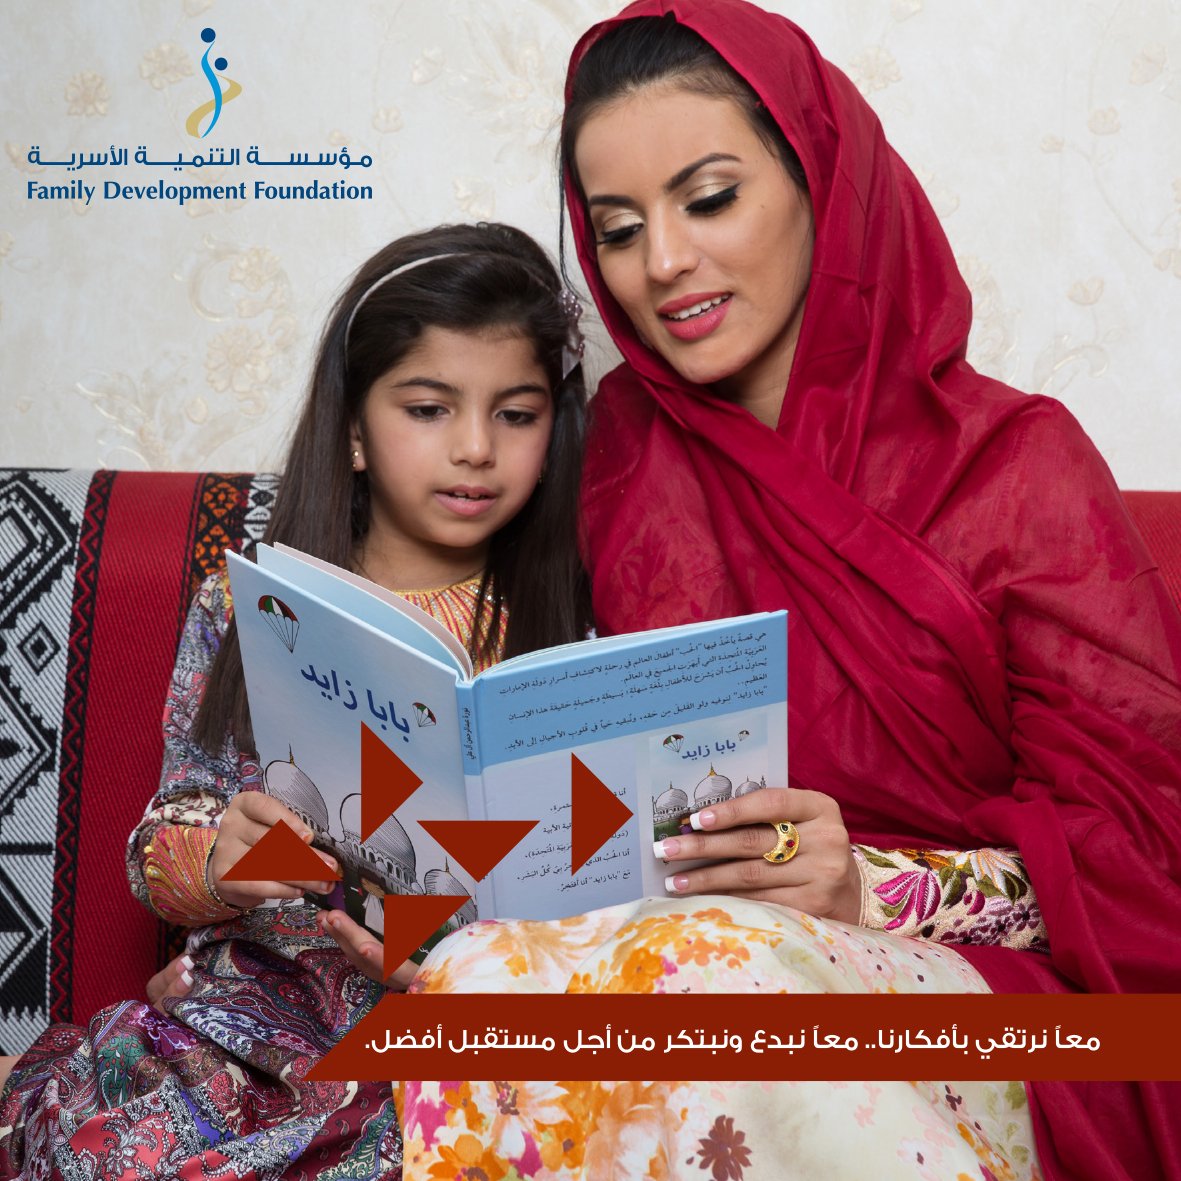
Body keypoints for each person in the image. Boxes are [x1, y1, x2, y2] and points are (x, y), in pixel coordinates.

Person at [393, 4, 1181, 1180]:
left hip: (1008, 1004)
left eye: (707, 199)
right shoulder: (619, 457)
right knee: (473, 982)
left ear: (822, 183)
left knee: (724, 972)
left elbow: (1143, 861)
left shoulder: (1014, 466)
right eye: (617, 229)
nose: (661, 262)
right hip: (702, 949)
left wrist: (870, 883)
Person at [0, 221, 591, 1178]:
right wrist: (219, 860)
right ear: (354, 430)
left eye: (516, 414)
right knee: (113, 1140)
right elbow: (161, 840)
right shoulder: (248, 605)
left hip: (450, 1031)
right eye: (429, 408)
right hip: (255, 1012)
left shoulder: (568, 631)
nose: (477, 448)